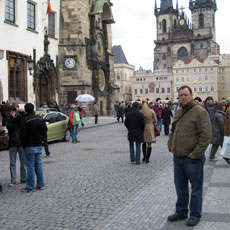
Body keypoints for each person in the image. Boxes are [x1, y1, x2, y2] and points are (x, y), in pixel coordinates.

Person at [168, 85, 211, 227]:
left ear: (191, 95)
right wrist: (171, 145)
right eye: (181, 95)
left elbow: (206, 135)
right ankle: (181, 211)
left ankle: (195, 214)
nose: (183, 97)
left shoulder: (200, 112)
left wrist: (196, 153)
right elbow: (173, 129)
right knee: (180, 187)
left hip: (192, 158)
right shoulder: (179, 111)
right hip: (178, 157)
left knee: (196, 188)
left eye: (186, 94)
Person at [20, 103, 46, 192]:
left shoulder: (25, 120)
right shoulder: (39, 119)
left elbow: (22, 134)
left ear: (26, 110)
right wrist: (41, 140)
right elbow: (44, 131)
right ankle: (41, 184)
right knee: (38, 165)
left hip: (29, 146)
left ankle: (30, 186)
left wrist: (23, 145)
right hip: (38, 145)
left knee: (30, 166)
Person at [5, 106, 27, 186]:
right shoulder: (8, 119)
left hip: (20, 142)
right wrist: (12, 118)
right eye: (13, 110)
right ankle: (13, 179)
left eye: (16, 110)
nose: (15, 112)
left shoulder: (20, 117)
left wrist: (20, 113)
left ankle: (23, 178)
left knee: (23, 162)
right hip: (13, 143)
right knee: (12, 162)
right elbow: (10, 128)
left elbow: (24, 121)